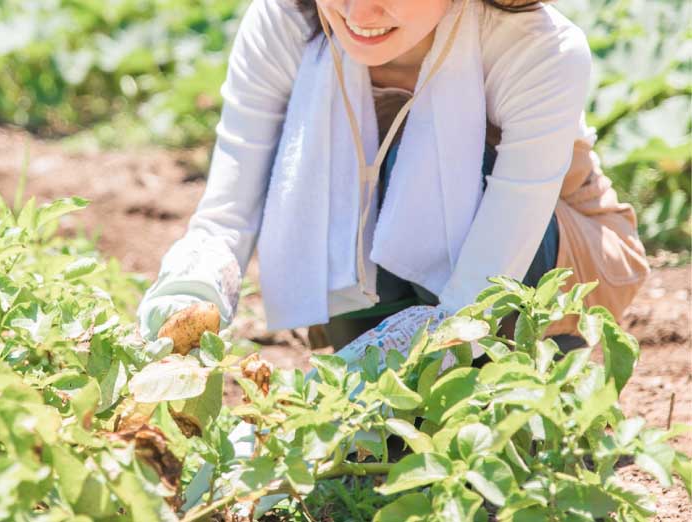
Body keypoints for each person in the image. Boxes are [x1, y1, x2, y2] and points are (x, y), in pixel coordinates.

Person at [136, 0, 649, 367]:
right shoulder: (285, 22)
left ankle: (522, 370)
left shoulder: (538, 49)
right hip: (372, 279)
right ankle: (385, 369)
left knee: (404, 158)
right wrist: (190, 291)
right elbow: (228, 213)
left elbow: (484, 283)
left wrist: (430, 347)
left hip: (544, 266)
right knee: (330, 158)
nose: (359, 15)